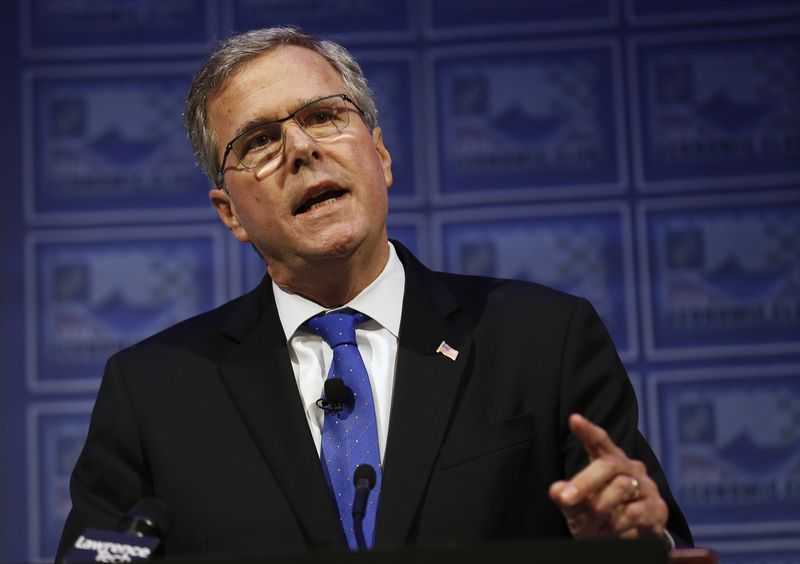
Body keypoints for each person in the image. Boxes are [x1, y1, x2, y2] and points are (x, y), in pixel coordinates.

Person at [56, 27, 692, 560]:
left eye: (324, 117)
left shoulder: (542, 339)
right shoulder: (153, 394)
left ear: (380, 156)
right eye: (259, 143)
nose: (301, 149)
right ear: (231, 214)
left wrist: (634, 544)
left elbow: (653, 538)